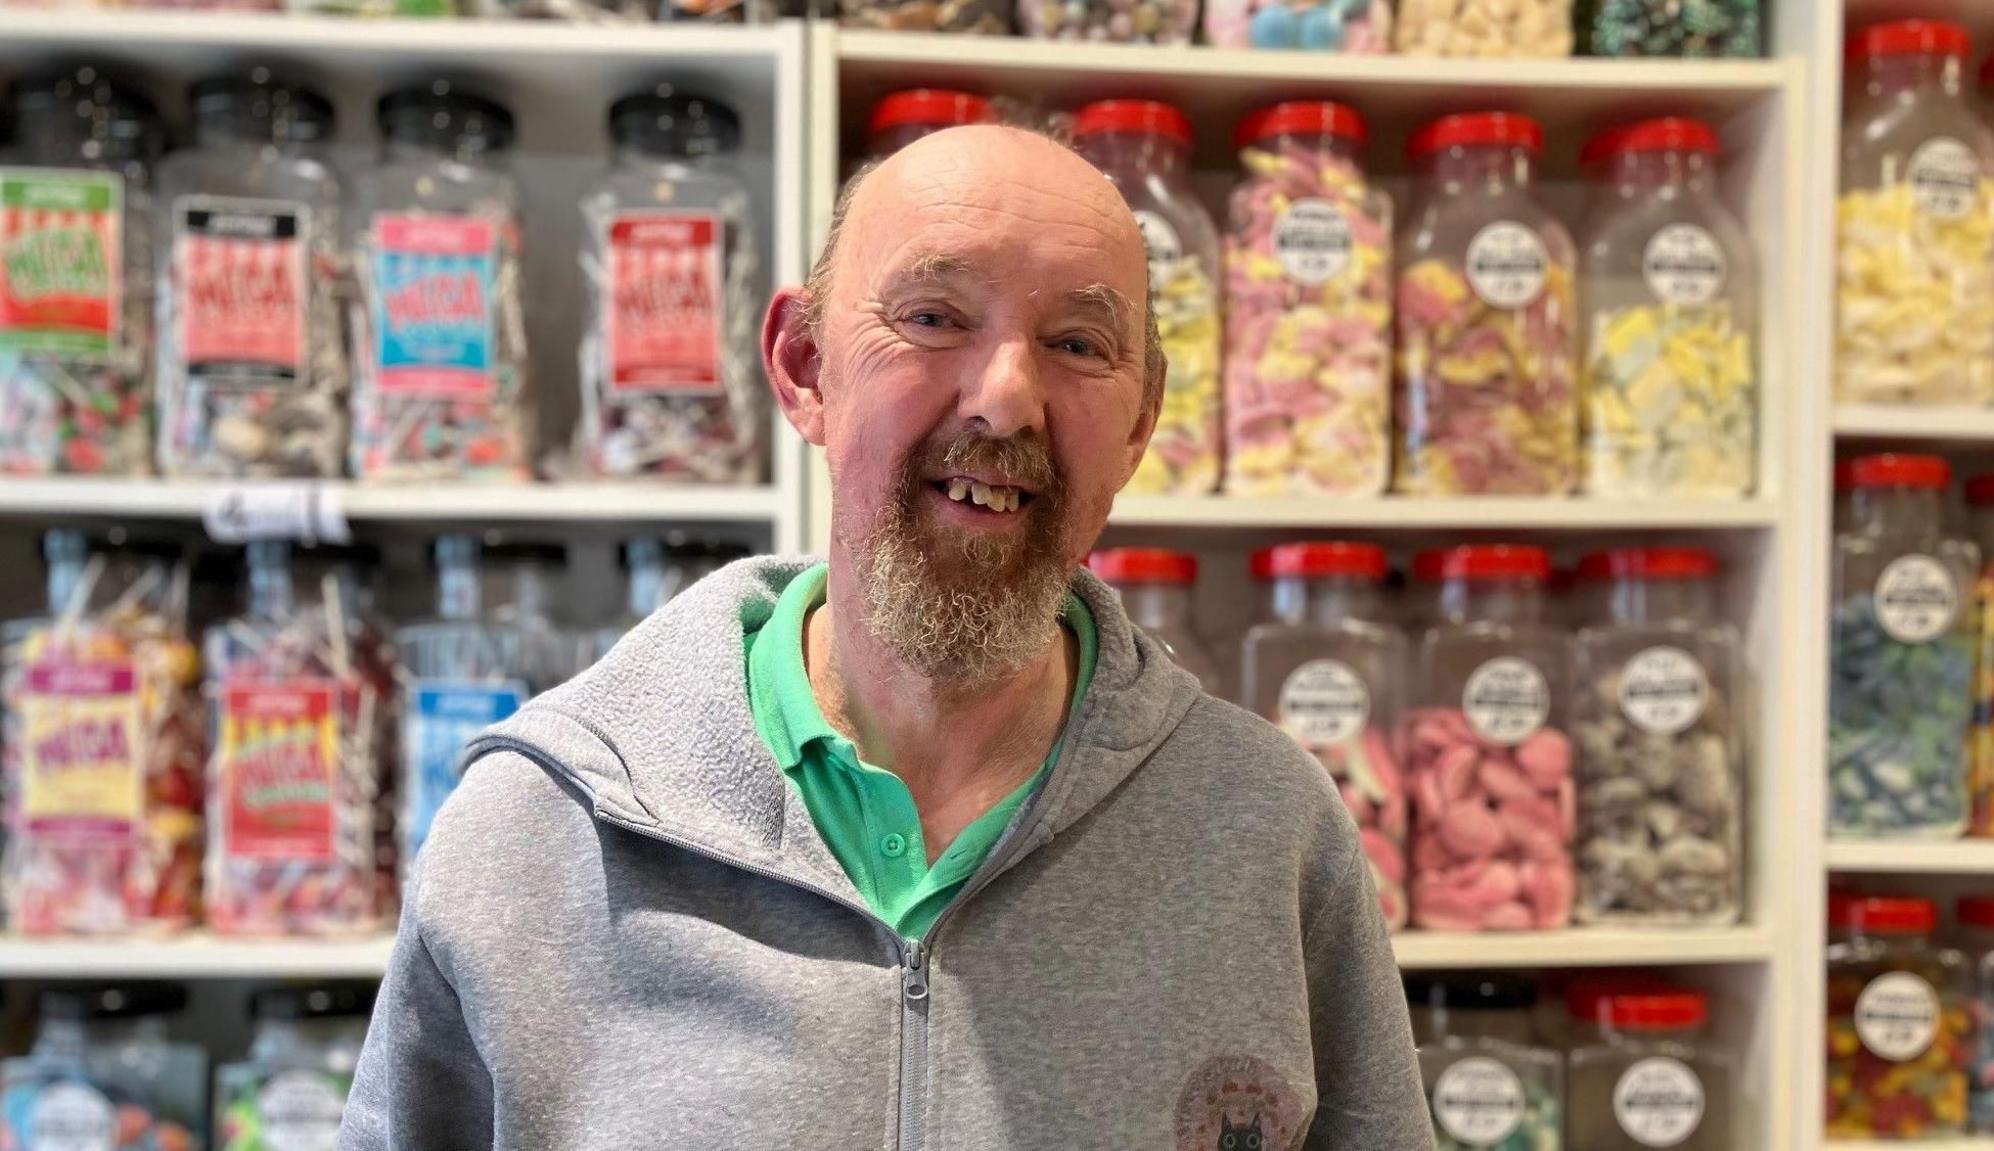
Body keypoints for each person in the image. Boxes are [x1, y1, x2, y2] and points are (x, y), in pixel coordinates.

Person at [339, 123, 1430, 1150]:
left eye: (1076, 342)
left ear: (1140, 422)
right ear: (804, 366)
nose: (1004, 400)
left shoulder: (1268, 831)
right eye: (932, 316)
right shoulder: (534, 831)